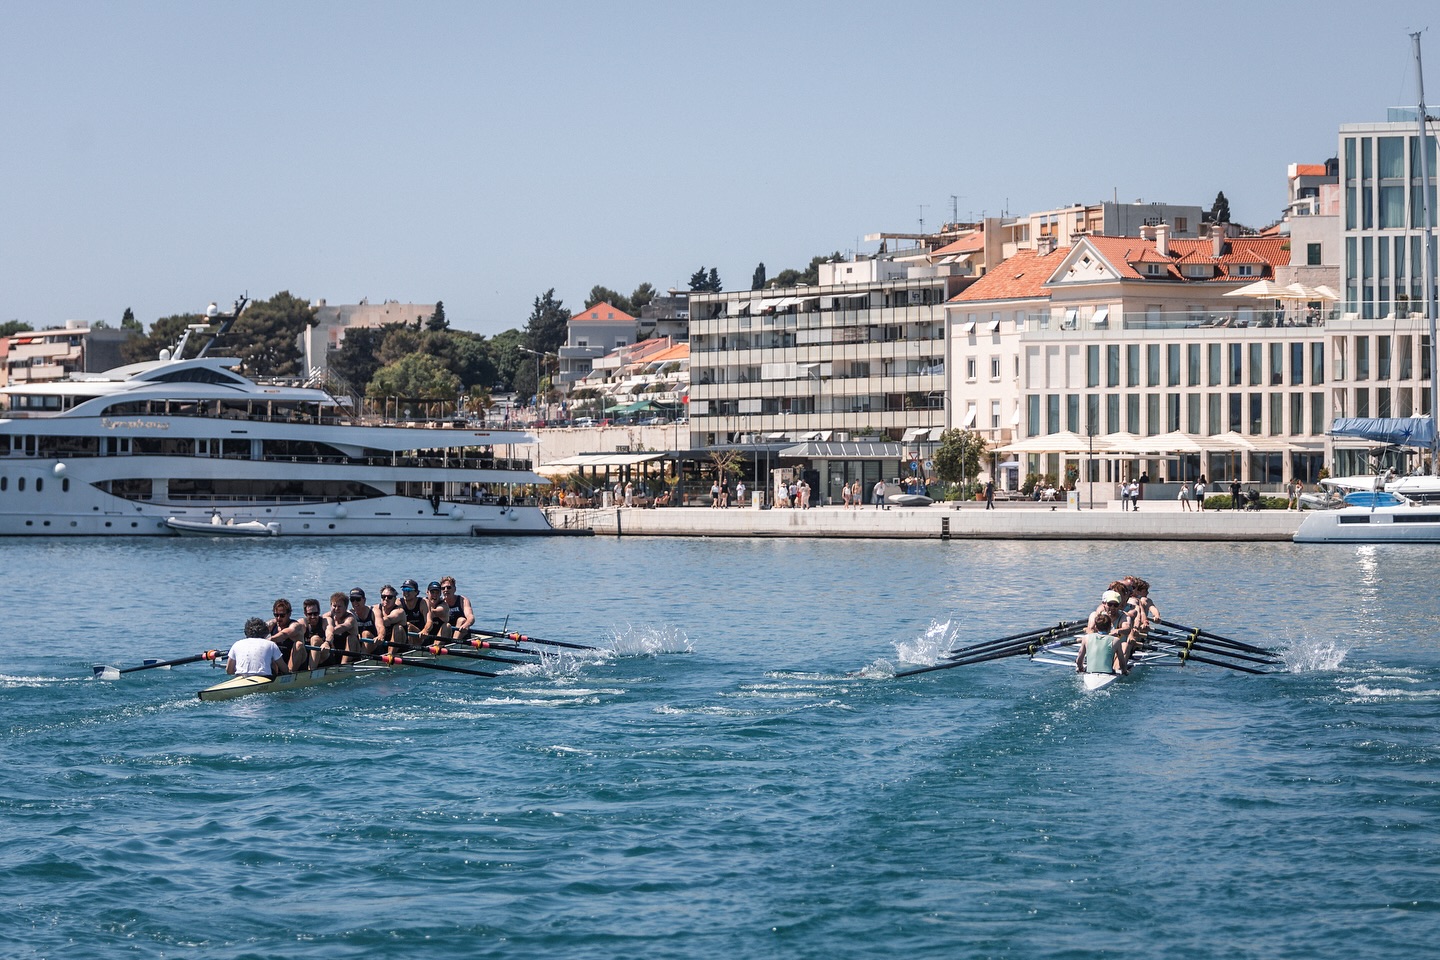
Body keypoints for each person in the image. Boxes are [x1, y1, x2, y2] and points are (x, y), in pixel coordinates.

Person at [1076, 612, 1124, 676]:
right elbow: (1121, 661)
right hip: (1108, 673)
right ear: (1110, 626)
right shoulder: (1116, 640)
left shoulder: (1086, 638)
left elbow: (1079, 658)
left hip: (1089, 672)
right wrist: (1124, 671)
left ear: (1096, 627)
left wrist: (1080, 668)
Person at [267, 598, 309, 673]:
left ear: (289, 614)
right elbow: (262, 629)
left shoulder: (295, 626)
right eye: (276, 615)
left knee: (298, 645)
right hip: (280, 662)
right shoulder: (272, 624)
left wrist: (270, 639)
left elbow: (285, 634)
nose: (278, 618)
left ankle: (289, 673)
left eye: (282, 615)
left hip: (298, 663)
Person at [323, 592, 358, 665]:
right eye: (334, 606)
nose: (336, 609)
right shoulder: (326, 616)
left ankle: (343, 664)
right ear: (330, 606)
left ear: (345, 607)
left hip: (352, 653)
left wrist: (330, 631)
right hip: (335, 651)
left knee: (351, 638)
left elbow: (344, 626)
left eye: (339, 606)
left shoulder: (350, 618)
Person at [349, 587, 379, 657]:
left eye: (358, 599)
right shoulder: (350, 614)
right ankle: (344, 662)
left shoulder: (373, 611)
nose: (355, 602)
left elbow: (380, 626)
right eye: (352, 599)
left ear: (364, 600)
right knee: (350, 638)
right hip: (358, 646)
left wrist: (380, 635)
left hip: (374, 645)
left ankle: (363, 658)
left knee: (365, 633)